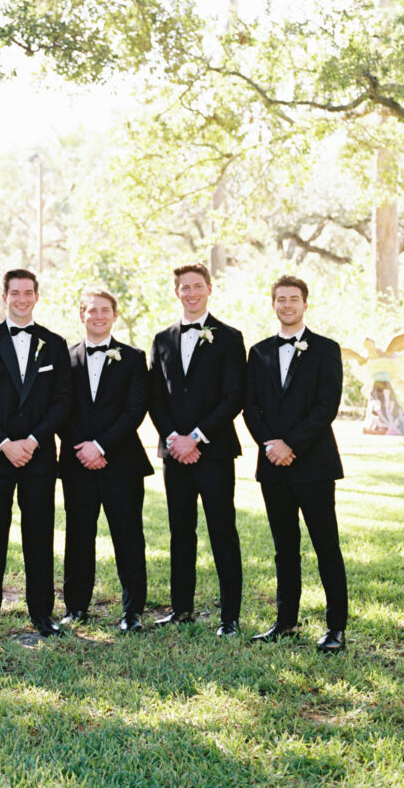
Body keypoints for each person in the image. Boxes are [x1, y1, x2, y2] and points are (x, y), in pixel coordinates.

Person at [244, 275, 348, 653]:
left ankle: (335, 628)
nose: (287, 305)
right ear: (273, 304)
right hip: (273, 464)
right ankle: (285, 621)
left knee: (326, 546)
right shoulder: (258, 352)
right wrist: (271, 445)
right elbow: (250, 406)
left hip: (314, 464)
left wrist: (292, 445)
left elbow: (327, 407)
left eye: (294, 299)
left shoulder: (326, 349)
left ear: (305, 304)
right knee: (283, 547)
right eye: (281, 299)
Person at [0, 268, 71, 636]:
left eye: (29, 293)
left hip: (39, 456)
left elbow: (62, 402)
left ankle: (42, 613)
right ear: (4, 297)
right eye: (15, 293)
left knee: (39, 533)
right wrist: (6, 443)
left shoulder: (55, 344)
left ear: (37, 297)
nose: (22, 299)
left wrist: (32, 440)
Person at [149, 263, 245, 637]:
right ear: (177, 293)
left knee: (223, 530)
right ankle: (181, 608)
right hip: (175, 453)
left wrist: (197, 437)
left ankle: (230, 617)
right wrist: (174, 438)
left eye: (197, 286)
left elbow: (233, 396)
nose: (191, 293)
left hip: (214, 451)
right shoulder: (161, 339)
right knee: (180, 531)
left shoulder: (230, 337)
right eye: (184, 288)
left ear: (209, 289)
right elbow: (155, 397)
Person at [60, 288, 152, 633]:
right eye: (91, 310)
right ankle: (76, 607)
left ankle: (132, 612)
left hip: (122, 462)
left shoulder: (133, 357)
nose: (98, 316)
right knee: (79, 534)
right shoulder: (65, 358)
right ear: (81, 315)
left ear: (114, 315)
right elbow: (59, 408)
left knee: (128, 535)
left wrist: (100, 446)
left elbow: (135, 410)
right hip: (76, 461)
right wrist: (82, 447)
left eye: (105, 311)